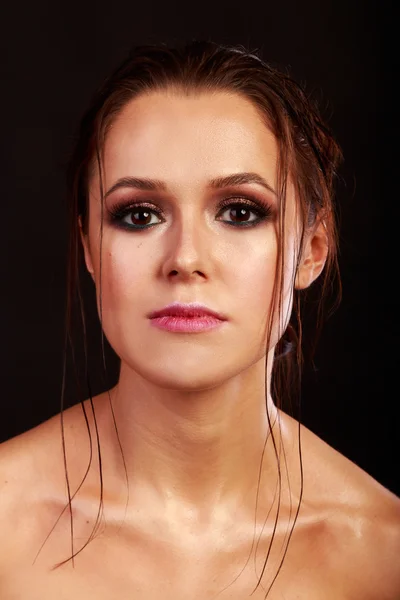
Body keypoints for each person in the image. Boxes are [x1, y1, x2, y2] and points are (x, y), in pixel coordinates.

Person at [0, 39, 399, 600]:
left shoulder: (383, 557)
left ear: (311, 248)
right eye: (138, 215)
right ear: (88, 245)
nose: (185, 258)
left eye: (240, 212)